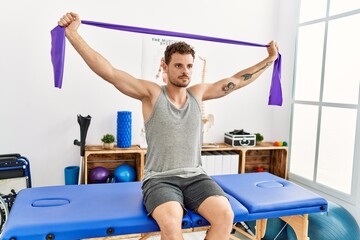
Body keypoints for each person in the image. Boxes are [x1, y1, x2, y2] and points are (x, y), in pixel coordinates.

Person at [58, 12, 279, 240]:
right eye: (179, 65)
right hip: (160, 180)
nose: (185, 71)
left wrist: (269, 60)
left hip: (197, 178)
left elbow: (237, 81)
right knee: (172, 223)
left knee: (225, 215)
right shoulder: (152, 94)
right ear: (165, 65)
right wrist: (73, 35)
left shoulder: (198, 93)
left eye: (189, 66)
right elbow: (110, 73)